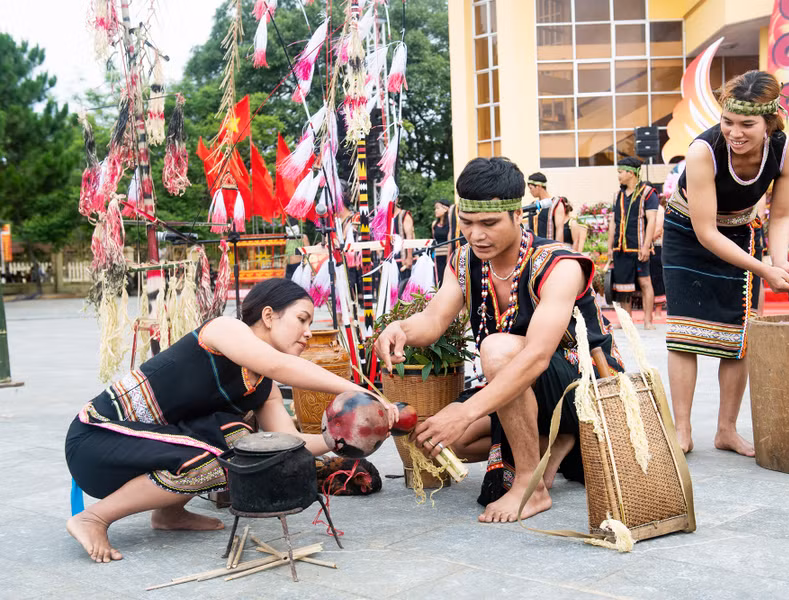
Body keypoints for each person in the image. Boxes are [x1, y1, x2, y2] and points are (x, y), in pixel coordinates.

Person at [65, 279, 398, 563]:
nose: (308, 333)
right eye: (302, 319)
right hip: (96, 439)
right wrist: (367, 393)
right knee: (223, 457)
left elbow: (288, 443)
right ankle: (93, 518)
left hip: (139, 450)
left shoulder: (263, 387)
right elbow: (281, 366)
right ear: (268, 316)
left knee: (239, 441)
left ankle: (168, 513)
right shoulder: (224, 330)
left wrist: (337, 439)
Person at [374, 157, 622, 523]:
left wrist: (465, 412)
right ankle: (554, 441)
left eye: (489, 223)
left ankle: (531, 485)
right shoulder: (464, 261)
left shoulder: (560, 265)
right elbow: (433, 319)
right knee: (452, 441)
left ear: (517, 215)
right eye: (467, 222)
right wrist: (400, 329)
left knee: (498, 348)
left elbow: (537, 356)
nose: (476, 234)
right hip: (524, 384)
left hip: (585, 388)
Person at [662, 70, 789, 456]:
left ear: (770, 122)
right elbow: (706, 231)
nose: (734, 133)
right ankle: (682, 430)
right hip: (687, 233)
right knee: (684, 333)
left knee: (739, 336)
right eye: (728, 122)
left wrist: (780, 263)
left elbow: (780, 216)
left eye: (747, 125)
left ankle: (726, 430)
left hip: (740, 231)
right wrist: (763, 269)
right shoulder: (702, 151)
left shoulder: (788, 151)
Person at [607, 157, 659, 328]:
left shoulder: (648, 193)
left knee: (645, 283)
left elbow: (652, 220)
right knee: (623, 287)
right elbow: (613, 222)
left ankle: (648, 321)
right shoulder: (618, 195)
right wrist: (610, 246)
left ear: (631, 173)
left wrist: (646, 246)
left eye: (620, 172)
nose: (618, 176)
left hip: (639, 247)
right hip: (620, 247)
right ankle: (626, 322)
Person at [525, 172, 570, 242]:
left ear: (538, 186)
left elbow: (559, 230)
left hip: (548, 246)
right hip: (533, 246)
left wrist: (558, 247)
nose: (530, 191)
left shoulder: (556, 203)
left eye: (531, 188)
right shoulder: (533, 205)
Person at [432, 198, 452, 285]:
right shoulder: (434, 224)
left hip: (448, 254)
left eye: (438, 208)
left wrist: (449, 255)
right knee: (438, 279)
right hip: (437, 256)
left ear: (445, 209)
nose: (435, 211)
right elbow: (434, 240)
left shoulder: (450, 224)